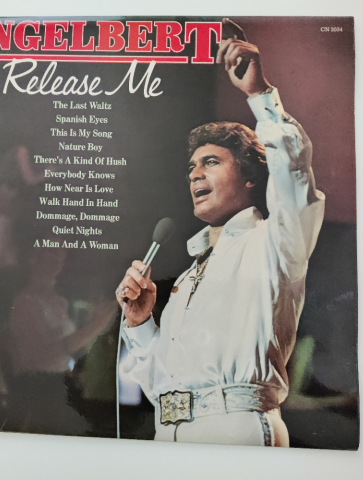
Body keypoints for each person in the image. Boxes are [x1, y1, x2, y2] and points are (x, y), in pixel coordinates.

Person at [115, 24, 325, 447]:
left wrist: (259, 94)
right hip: (168, 437)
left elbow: (293, 170)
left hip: (237, 431)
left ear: (250, 176)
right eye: (191, 167)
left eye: (211, 162)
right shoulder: (188, 277)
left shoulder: (275, 242)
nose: (195, 174)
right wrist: (139, 324)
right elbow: (160, 384)